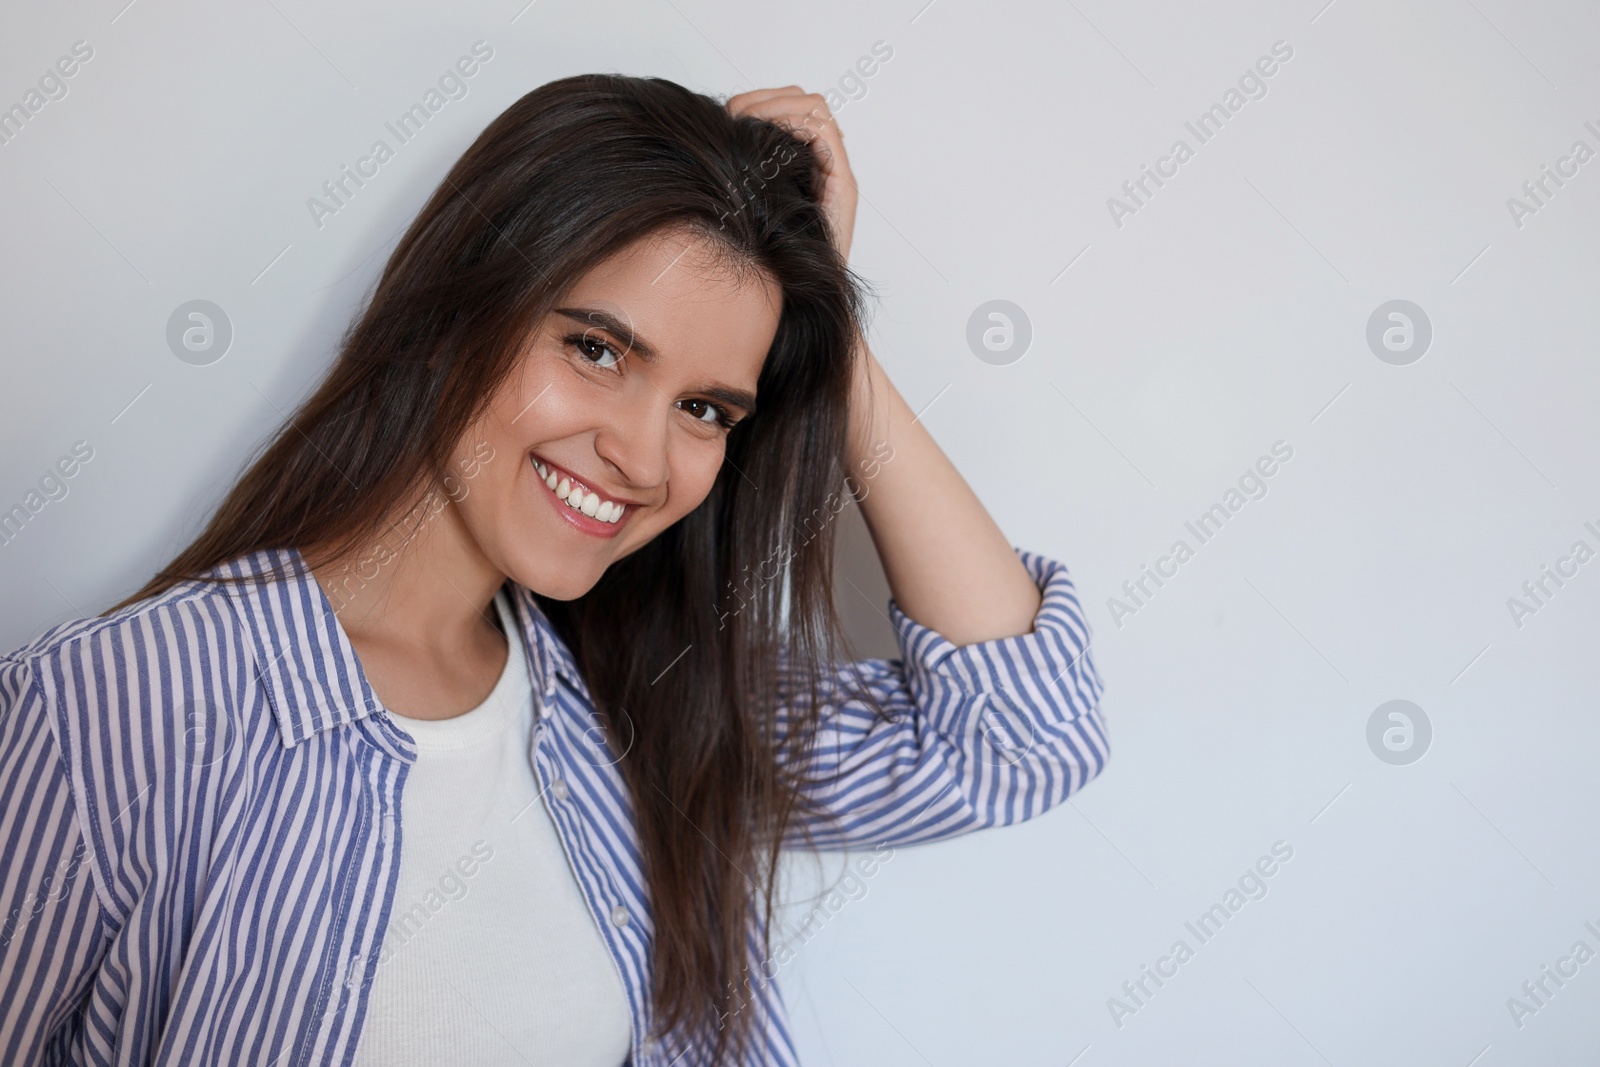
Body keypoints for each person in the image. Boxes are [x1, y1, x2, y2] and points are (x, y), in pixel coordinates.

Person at [0, 74, 1109, 1066]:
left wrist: (831, 337)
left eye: (705, 407)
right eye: (597, 347)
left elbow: (1022, 738)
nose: (641, 455)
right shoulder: (106, 709)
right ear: (453, 317)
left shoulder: (647, 698)